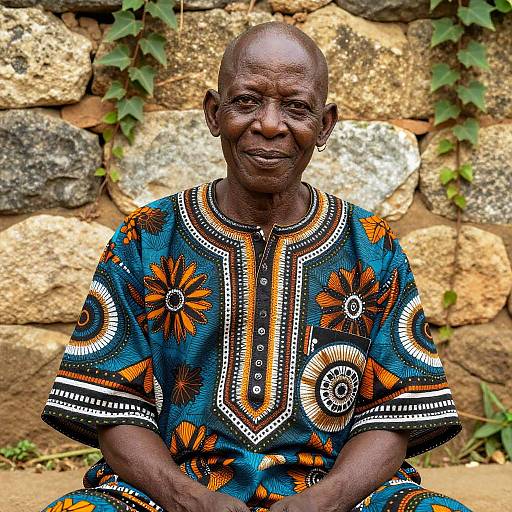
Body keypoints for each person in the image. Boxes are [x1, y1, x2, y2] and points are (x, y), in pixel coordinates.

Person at [41, 22, 470, 512]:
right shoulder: (146, 238)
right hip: (167, 495)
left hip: (338, 497)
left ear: (325, 125)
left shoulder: (371, 245)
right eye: (246, 101)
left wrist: (325, 501)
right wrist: (188, 500)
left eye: (296, 107)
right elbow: (110, 407)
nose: (269, 124)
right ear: (213, 113)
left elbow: (395, 414)